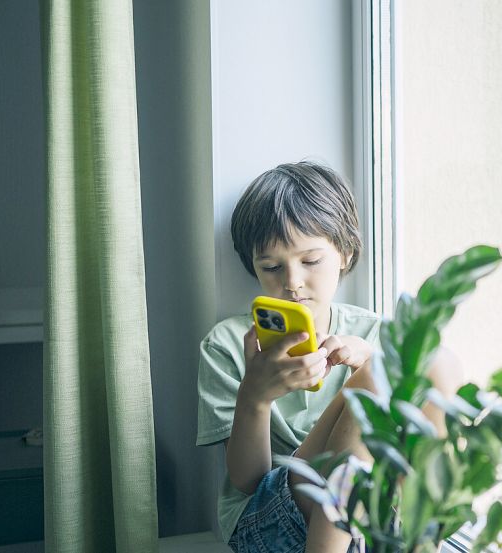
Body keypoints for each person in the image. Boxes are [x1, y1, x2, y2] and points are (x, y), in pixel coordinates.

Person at [195, 161, 455, 553]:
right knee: (378, 378)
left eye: (310, 261)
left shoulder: (373, 334)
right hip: (269, 521)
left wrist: (368, 359)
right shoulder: (229, 344)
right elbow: (247, 481)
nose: (293, 281)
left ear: (345, 255)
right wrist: (256, 395)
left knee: (435, 361)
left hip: (370, 520)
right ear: (253, 267)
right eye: (271, 267)